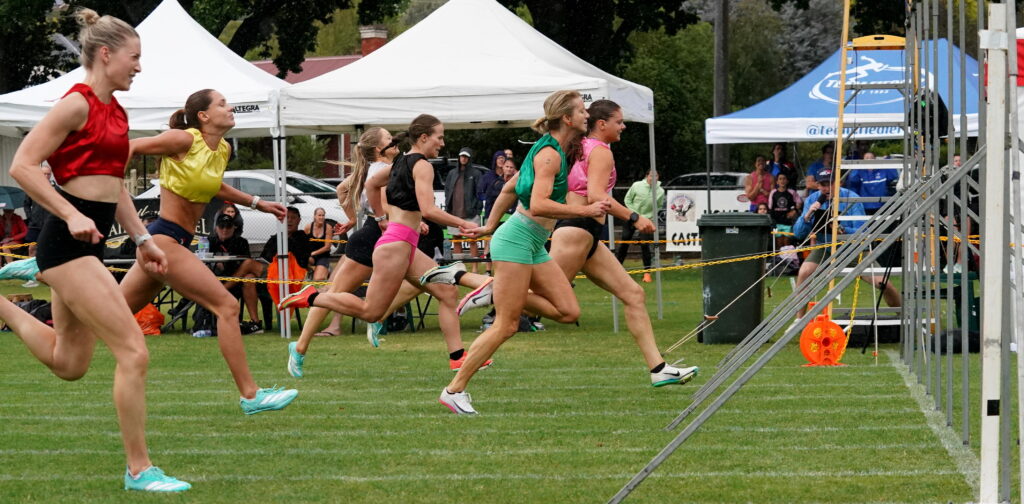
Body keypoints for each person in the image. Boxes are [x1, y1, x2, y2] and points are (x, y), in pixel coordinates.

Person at [0, 9, 189, 492]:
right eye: (134, 57)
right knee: (134, 351)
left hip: (90, 246)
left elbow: (114, 187)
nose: (139, 67)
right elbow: (23, 165)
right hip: (67, 247)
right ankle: (139, 470)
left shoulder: (118, 113)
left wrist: (144, 240)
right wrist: (69, 213)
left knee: (70, 364)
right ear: (106, 55)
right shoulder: (74, 105)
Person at [460, 99, 697, 401]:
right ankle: (480, 284)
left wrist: (490, 225)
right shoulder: (598, 151)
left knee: (633, 294)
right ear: (602, 124)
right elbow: (596, 195)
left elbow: (511, 187)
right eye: (619, 121)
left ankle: (658, 368)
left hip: (587, 237)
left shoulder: (568, 147)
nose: (623, 127)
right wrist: (634, 217)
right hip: (575, 232)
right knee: (540, 306)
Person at [430, 90, 613, 415]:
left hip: (529, 243)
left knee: (569, 311)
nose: (587, 115)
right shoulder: (549, 155)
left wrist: (489, 226)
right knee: (507, 324)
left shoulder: (548, 148)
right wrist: (585, 211)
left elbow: (510, 187)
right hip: (517, 240)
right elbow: (539, 203)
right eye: (582, 111)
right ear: (567, 118)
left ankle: (488, 287)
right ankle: (454, 390)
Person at [121, 88, 298, 416]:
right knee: (227, 306)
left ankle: (50, 280)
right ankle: (250, 395)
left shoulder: (223, 148)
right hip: (162, 240)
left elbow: (212, 184)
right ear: (203, 116)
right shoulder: (183, 139)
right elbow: (129, 147)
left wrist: (258, 202)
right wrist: (108, 190)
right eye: (222, 104)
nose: (230, 108)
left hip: (171, 243)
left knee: (107, 317)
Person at [282, 122, 491, 377]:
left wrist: (357, 218)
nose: (394, 142)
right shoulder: (386, 168)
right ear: (378, 148)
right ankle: (304, 334)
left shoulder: (385, 167)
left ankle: (457, 356)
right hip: (379, 237)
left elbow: (345, 189)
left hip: (393, 237)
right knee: (349, 299)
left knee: (446, 291)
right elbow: (383, 199)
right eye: (389, 139)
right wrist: (385, 218)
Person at [792, 169, 900, 318]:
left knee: (884, 283)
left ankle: (904, 317)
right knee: (804, 273)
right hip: (826, 248)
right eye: (823, 184)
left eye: (830, 184)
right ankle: (799, 322)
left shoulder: (853, 198)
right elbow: (798, 234)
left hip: (853, 250)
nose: (826, 188)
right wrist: (807, 216)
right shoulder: (812, 200)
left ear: (838, 183)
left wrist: (842, 229)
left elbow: (862, 232)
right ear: (817, 185)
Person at [207, 213, 264, 334]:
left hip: (236, 281)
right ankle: (203, 320)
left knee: (249, 277)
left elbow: (246, 265)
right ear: (216, 228)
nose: (225, 230)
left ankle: (255, 323)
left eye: (228, 227)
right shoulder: (209, 241)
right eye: (222, 226)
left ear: (234, 228)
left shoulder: (240, 242)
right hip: (214, 279)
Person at [615, 169, 665, 283]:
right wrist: (635, 215)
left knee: (645, 245)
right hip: (631, 217)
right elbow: (627, 200)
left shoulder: (660, 191)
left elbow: (659, 206)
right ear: (647, 176)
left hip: (646, 220)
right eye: (651, 175)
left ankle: (647, 273)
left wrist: (648, 217)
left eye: (656, 176)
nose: (653, 178)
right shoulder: (636, 185)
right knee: (624, 242)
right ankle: (617, 270)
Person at [445, 147, 484, 272]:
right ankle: (459, 268)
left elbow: (480, 193)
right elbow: (447, 191)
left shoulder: (476, 173)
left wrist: (477, 210)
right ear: (459, 157)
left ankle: (474, 269)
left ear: (469, 158)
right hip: (454, 214)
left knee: (472, 240)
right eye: (462, 156)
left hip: (471, 214)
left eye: (466, 156)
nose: (463, 158)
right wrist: (448, 207)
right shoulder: (452, 173)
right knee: (456, 240)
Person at [768, 172, 802, 247]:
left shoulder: (792, 192)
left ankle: (787, 255)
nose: (782, 181)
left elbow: (799, 202)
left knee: (786, 243)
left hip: (788, 222)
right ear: (777, 181)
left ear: (787, 181)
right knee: (778, 243)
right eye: (780, 179)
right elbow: (770, 207)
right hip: (776, 223)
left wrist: (794, 211)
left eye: (784, 179)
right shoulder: (773, 192)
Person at [304, 207, 333, 283]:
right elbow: (303, 242)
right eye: (319, 215)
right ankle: (310, 271)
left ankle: (327, 270)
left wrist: (313, 253)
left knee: (318, 279)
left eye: (323, 215)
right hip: (311, 256)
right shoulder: (308, 227)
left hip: (323, 256)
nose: (321, 217)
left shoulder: (328, 228)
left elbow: (327, 247)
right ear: (314, 216)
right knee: (300, 257)